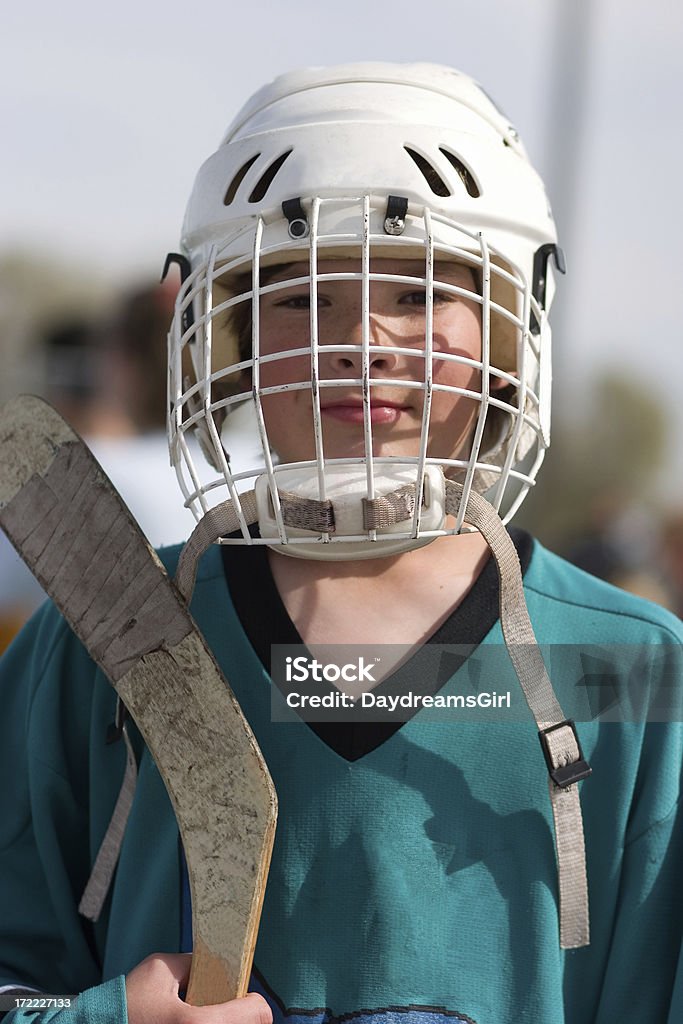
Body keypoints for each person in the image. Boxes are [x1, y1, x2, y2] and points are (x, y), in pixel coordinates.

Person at [1, 62, 682, 1024]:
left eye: (419, 293)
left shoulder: (633, 666)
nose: (359, 339)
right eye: (297, 297)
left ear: (507, 335)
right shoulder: (94, 640)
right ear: (222, 331)